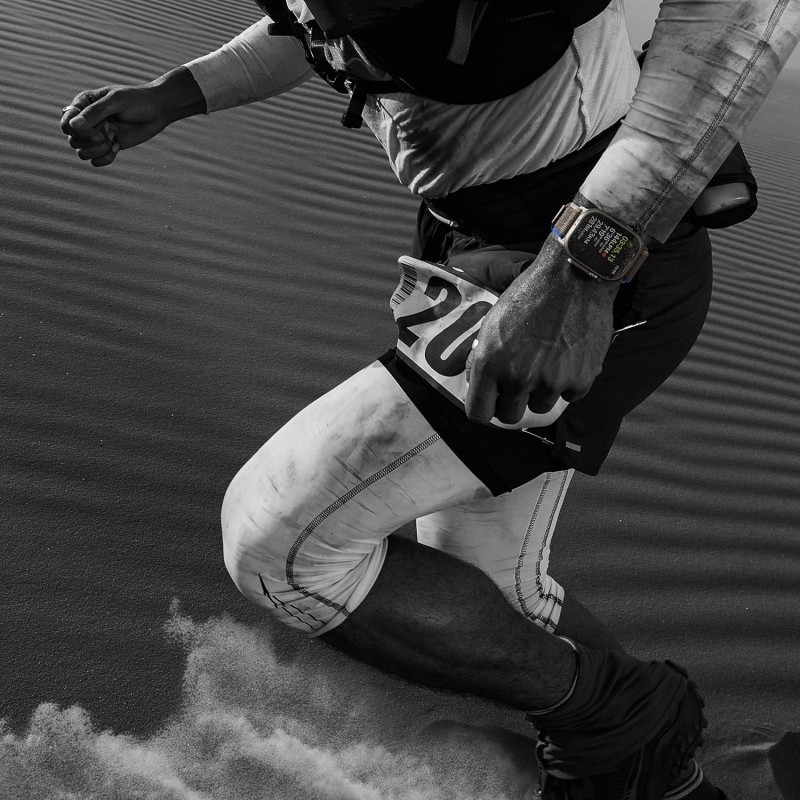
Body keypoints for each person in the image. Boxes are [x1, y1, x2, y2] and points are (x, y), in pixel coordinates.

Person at [61, 1, 799, 797]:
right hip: (478, 252)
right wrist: (177, 92)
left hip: (584, 276)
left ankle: (627, 731)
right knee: (497, 586)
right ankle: (657, 779)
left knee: (281, 546)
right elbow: (322, 27)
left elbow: (741, 21)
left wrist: (581, 269)